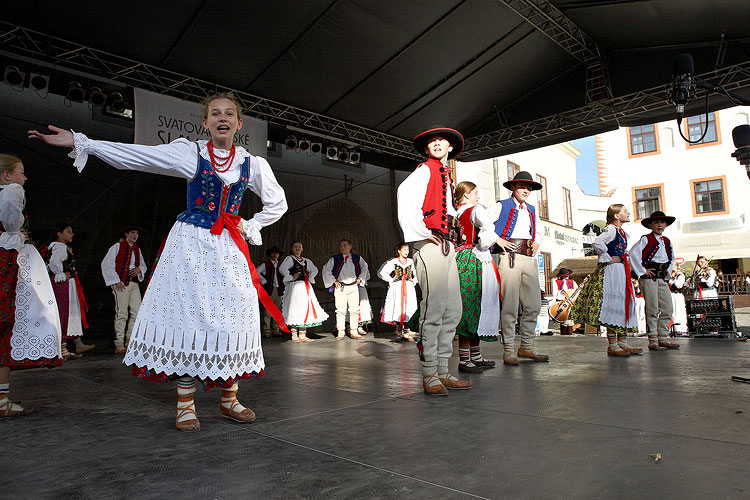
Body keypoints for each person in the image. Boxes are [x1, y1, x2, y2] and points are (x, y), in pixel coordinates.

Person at [29, 92, 288, 432]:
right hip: (191, 244)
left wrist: (249, 224)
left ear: (239, 124)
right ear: (205, 122)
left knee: (233, 315)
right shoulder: (190, 153)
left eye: (229, 114)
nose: (221, 118)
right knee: (188, 316)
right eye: (215, 113)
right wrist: (83, 142)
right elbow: (137, 156)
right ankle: (185, 402)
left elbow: (277, 203)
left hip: (228, 246)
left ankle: (229, 398)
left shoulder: (252, 164)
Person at [397, 126, 471, 395]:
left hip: (447, 245)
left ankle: (442, 370)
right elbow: (405, 197)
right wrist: (423, 233)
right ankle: (430, 373)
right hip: (431, 243)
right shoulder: (425, 170)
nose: (437, 143)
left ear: (450, 147)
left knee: (453, 309)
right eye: (432, 141)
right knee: (435, 306)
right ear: (427, 149)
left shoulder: (445, 175)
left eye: (442, 140)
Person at [0, 154, 63, 418]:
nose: (24, 178)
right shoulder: (12, 191)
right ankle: (1, 401)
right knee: (6, 327)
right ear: (7, 175)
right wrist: (16, 233)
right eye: (21, 172)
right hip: (6, 263)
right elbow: (11, 224)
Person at [489, 171, 547, 365]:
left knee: (533, 305)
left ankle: (526, 347)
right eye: (522, 187)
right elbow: (483, 223)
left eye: (529, 188)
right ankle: (508, 350)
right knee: (510, 305)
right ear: (513, 187)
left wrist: (537, 243)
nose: (526, 190)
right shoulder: (501, 205)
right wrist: (497, 240)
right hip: (509, 257)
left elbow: (539, 230)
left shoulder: (531, 209)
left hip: (527, 257)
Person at [570, 204, 641, 357]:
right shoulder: (611, 229)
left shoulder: (620, 231)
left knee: (622, 303)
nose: (628, 213)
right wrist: (608, 259)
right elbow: (598, 243)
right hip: (612, 271)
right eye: (624, 211)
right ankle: (613, 345)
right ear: (616, 215)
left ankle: (622, 343)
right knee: (613, 302)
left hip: (620, 269)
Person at [453, 181, 498, 372]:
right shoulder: (475, 210)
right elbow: (488, 229)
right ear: (466, 195)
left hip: (459, 257)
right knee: (471, 305)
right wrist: (483, 245)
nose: (478, 196)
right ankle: (464, 360)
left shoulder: (456, 213)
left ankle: (475, 356)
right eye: (476, 193)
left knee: (471, 305)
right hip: (473, 257)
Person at [629, 210, 679, 350]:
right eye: (656, 222)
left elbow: (671, 258)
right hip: (649, 277)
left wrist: (667, 273)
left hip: (662, 277)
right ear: (650, 225)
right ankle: (652, 339)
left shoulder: (667, 241)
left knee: (668, 308)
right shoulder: (646, 239)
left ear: (666, 225)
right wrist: (642, 271)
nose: (659, 225)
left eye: (662, 222)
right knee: (652, 308)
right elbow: (633, 254)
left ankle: (663, 337)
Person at [45, 223, 93, 358]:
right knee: (64, 312)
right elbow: (54, 263)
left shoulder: (57, 247)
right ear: (59, 234)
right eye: (68, 231)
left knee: (65, 312)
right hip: (63, 284)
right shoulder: (59, 247)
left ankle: (64, 349)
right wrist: (61, 273)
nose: (72, 234)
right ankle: (62, 349)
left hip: (64, 283)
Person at [101, 225, 148, 354]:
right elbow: (107, 264)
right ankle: (119, 344)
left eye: (136, 234)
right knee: (121, 313)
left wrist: (139, 270)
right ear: (126, 234)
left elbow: (143, 266)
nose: (135, 236)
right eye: (133, 233)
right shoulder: (117, 247)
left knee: (136, 312)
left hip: (134, 284)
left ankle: (130, 341)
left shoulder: (137, 250)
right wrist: (116, 280)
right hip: (121, 283)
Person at [279, 241, 328, 342]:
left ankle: (302, 334)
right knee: (294, 308)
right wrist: (291, 277)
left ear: (302, 249)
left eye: (299, 247)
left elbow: (314, 270)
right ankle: (294, 335)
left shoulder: (306, 261)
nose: (297, 248)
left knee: (304, 308)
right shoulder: (290, 259)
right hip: (294, 287)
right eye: (295, 247)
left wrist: (310, 276)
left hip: (304, 287)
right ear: (292, 249)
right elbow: (282, 268)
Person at [321, 239, 369, 340]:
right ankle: (341, 332)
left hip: (353, 286)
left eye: (344, 245)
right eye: (341, 245)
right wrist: (334, 281)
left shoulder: (357, 258)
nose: (342, 247)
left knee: (354, 309)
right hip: (341, 287)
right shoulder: (335, 258)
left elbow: (365, 267)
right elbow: (326, 269)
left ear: (350, 247)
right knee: (340, 310)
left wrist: (360, 278)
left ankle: (354, 331)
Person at [379, 243, 419, 341]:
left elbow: (417, 272)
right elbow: (382, 272)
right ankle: (400, 332)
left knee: (408, 307)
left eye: (407, 250)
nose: (406, 252)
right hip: (397, 287)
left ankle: (406, 331)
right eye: (404, 249)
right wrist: (391, 279)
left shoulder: (410, 261)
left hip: (408, 287)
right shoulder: (393, 261)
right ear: (399, 251)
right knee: (398, 307)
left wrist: (414, 280)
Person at [258, 245, 285, 338]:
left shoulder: (282, 265)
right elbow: (256, 272)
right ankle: (266, 331)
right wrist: (264, 281)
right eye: (273, 253)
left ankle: (276, 330)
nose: (275, 255)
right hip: (270, 289)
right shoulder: (266, 265)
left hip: (279, 290)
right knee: (268, 311)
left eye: (276, 253)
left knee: (277, 310)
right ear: (270, 254)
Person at [553, 268, 578, 335]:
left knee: (569, 320)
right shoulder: (557, 282)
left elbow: (576, 292)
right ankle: (566, 335)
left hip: (570, 302)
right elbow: (555, 293)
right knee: (564, 319)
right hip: (561, 302)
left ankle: (567, 334)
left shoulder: (572, 282)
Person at [669, 258, 688, 335]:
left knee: (678, 312)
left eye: (673, 265)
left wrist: (671, 280)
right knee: (670, 312)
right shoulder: (668, 274)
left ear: (676, 266)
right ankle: (670, 329)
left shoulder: (680, 275)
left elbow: (678, 285)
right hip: (670, 294)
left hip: (677, 295)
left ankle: (680, 329)